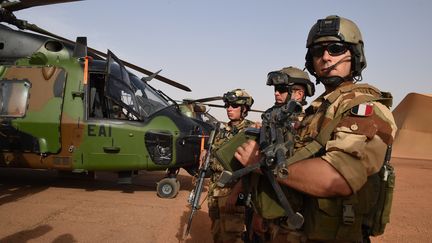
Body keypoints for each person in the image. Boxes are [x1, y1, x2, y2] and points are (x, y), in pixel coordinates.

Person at [235, 15, 397, 243]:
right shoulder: (320, 109)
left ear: (355, 55)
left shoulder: (362, 106)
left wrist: (261, 163)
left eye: (336, 48)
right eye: (318, 51)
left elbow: (338, 177)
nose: (326, 56)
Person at [208, 88, 256, 243]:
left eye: (234, 105)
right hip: (215, 191)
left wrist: (235, 193)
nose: (229, 108)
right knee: (217, 233)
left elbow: (251, 169)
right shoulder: (222, 131)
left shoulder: (251, 132)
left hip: (233, 192)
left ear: (244, 109)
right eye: (227, 105)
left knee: (232, 236)